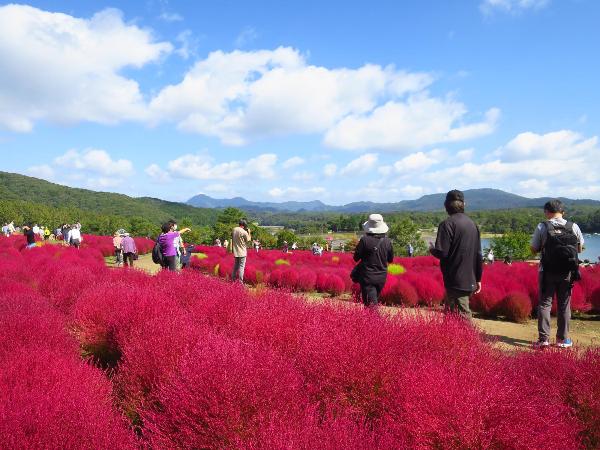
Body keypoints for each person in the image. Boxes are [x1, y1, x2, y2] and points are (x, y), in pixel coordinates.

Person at [530, 199, 584, 349]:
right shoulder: (574, 226)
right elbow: (579, 249)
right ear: (563, 212)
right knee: (564, 305)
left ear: (547, 212)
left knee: (545, 304)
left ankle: (543, 340)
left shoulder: (542, 226)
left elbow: (533, 249)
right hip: (567, 273)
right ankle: (562, 340)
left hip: (547, 271)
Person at [429, 190, 482, 320]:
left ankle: (470, 340)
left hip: (455, 279)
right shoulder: (473, 224)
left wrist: (432, 249)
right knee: (451, 314)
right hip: (470, 278)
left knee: (463, 316)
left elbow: (443, 253)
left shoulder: (447, 224)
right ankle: (449, 339)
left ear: (446, 205)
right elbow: (478, 255)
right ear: (464, 204)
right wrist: (479, 278)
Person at [353, 214, 394, 308]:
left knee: (371, 307)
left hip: (368, 277)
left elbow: (356, 258)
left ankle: (377, 322)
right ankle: (368, 322)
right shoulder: (387, 242)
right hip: (381, 278)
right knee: (371, 303)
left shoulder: (364, 240)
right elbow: (390, 260)